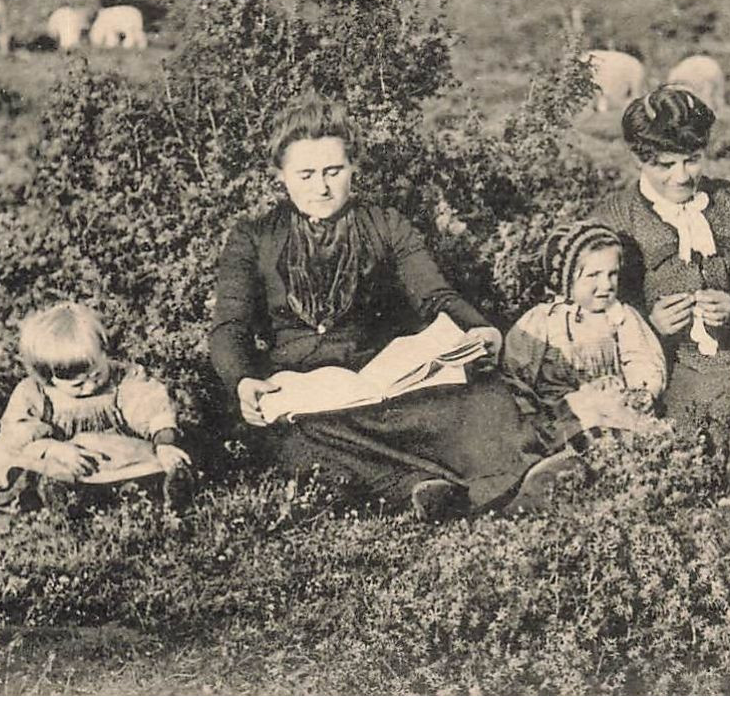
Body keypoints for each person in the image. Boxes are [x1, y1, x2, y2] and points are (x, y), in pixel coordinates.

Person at [209, 94, 580, 520]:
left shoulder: (385, 223)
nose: (322, 187)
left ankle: (496, 482)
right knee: (305, 435)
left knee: (480, 392)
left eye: (333, 171)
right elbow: (230, 324)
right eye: (306, 174)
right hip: (303, 393)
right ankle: (425, 489)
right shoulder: (254, 236)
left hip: (380, 378)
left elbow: (434, 295)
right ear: (281, 176)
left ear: (354, 167)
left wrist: (478, 329)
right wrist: (242, 381)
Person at [590, 85, 730, 446]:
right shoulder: (615, 218)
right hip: (668, 369)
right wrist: (648, 325)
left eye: (693, 159)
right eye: (665, 165)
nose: (681, 176)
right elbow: (590, 320)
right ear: (638, 159)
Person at [0, 302, 194, 511]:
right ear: (48, 376)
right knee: (22, 462)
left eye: (97, 375)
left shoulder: (122, 379)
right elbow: (18, 432)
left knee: (147, 460)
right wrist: (53, 448)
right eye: (77, 384)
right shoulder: (34, 393)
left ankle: (159, 486)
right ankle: (58, 493)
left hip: (110, 451)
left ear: (104, 352)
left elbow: (150, 404)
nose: (89, 387)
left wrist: (164, 441)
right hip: (56, 454)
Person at [502, 220, 669, 451]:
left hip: (615, 407)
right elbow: (515, 372)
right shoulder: (542, 320)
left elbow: (642, 357)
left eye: (612, 274)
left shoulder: (620, 316)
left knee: (634, 434)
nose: (606, 284)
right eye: (593, 275)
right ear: (567, 278)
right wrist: (528, 413)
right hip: (561, 415)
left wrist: (643, 391)